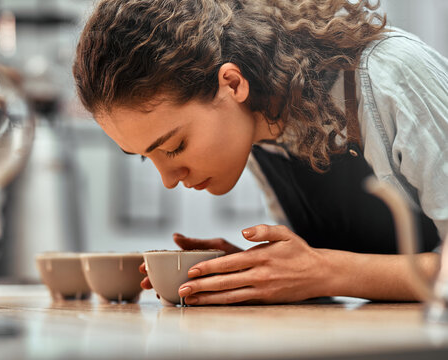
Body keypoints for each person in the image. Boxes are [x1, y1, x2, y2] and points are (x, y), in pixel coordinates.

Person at [72, 0, 448, 305]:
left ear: (232, 83)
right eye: (143, 155)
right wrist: (259, 273)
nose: (169, 180)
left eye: (174, 146)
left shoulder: (391, 74)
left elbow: (336, 271)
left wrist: (324, 272)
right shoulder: (260, 129)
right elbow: (350, 274)